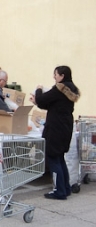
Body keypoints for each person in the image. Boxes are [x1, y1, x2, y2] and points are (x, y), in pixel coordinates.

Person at [29, 65, 80, 200]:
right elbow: (49, 104)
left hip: (55, 128)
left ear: (62, 76)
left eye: (56, 74)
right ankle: (66, 188)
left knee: (53, 158)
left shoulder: (60, 88)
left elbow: (42, 99)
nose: (54, 77)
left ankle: (59, 191)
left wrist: (38, 89)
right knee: (60, 158)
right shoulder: (71, 90)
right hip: (66, 126)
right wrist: (37, 102)